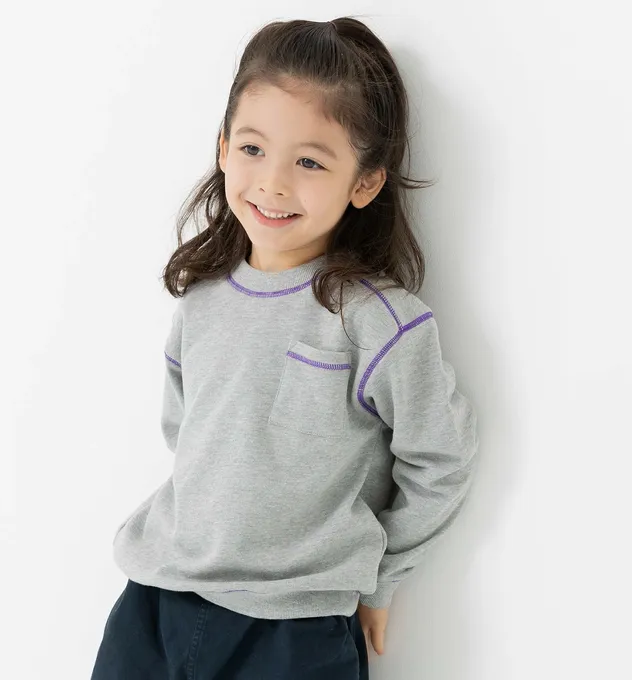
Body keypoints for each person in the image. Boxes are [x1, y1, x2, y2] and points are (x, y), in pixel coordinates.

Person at [91, 16, 479, 680]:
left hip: (293, 632)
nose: (272, 182)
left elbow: (440, 460)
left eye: (309, 162)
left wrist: (382, 577)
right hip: (154, 605)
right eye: (252, 148)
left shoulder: (379, 323)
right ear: (222, 148)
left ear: (364, 182)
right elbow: (187, 434)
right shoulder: (202, 299)